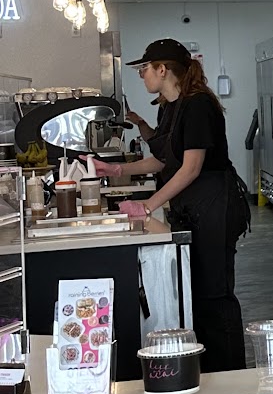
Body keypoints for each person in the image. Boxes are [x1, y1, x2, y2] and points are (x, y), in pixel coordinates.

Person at [97, 39, 248, 371]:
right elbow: (165, 160)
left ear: (162, 69)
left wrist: (147, 206)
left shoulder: (198, 105)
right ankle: (209, 371)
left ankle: (232, 375)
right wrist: (116, 170)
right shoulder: (170, 106)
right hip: (192, 207)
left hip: (214, 205)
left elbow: (191, 167)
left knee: (215, 294)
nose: (142, 75)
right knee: (195, 290)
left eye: (144, 69)